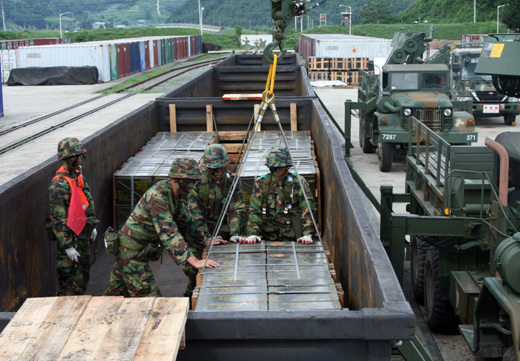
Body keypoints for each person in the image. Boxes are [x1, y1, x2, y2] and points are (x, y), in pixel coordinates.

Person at [103, 157, 220, 298]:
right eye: (191, 181)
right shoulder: (158, 196)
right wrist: (195, 261)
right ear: (179, 180)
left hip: (136, 251)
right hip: (130, 252)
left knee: (113, 295)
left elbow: (188, 223)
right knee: (150, 301)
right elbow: (169, 233)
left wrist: (205, 241)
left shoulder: (174, 197)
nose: (193, 185)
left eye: (195, 181)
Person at [186, 144, 247, 293]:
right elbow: (195, 216)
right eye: (214, 168)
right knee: (193, 269)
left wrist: (235, 234)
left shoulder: (232, 182)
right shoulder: (197, 184)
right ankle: (191, 295)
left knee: (232, 266)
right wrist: (206, 239)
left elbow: (236, 208)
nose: (218, 172)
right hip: (200, 235)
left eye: (221, 168)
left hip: (225, 235)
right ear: (206, 167)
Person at [48, 137, 98, 295]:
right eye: (75, 157)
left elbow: (87, 202)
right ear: (66, 158)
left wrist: (92, 225)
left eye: (80, 156)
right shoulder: (58, 185)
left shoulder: (78, 177)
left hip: (82, 238)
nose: (79, 160)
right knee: (70, 287)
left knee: (83, 280)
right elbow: (58, 219)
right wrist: (68, 246)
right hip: (70, 242)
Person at [245, 146, 316, 244]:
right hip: (270, 234)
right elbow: (255, 211)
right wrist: (253, 233)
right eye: (272, 168)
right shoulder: (261, 183)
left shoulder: (298, 182)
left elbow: (307, 209)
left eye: (279, 168)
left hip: (293, 233)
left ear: (287, 167)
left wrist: (307, 234)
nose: (276, 172)